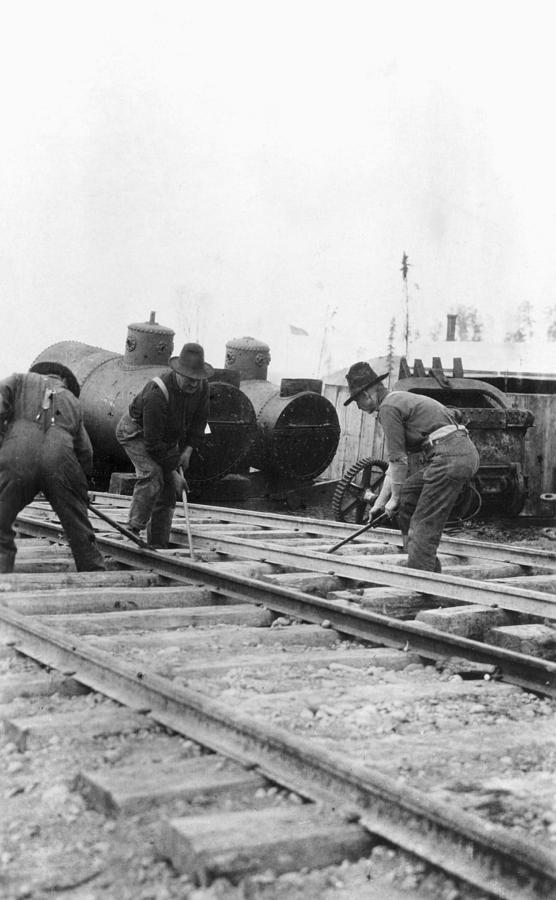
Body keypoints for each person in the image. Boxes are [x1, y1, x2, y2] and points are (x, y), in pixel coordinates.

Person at [344, 361, 480, 571]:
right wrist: (381, 503)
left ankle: (421, 581)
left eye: (356, 401)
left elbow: (399, 461)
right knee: (409, 495)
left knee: (422, 525)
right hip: (457, 453)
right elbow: (394, 465)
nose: (359, 407)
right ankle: (423, 565)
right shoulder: (398, 401)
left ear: (367, 394)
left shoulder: (388, 408)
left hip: (450, 456)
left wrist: (393, 500)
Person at [0, 362, 106, 573]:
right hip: (62, 462)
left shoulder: (18, 380)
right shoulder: (72, 400)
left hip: (18, 457)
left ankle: (2, 578)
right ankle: (94, 573)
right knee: (78, 528)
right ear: (64, 380)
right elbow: (86, 452)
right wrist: (78, 492)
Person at [116, 342, 213, 548]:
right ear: (178, 372)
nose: (194, 384)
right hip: (136, 432)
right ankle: (132, 531)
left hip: (166, 437)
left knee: (168, 491)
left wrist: (188, 450)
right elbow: (152, 444)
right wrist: (173, 473)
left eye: (198, 379)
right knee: (152, 474)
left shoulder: (202, 387)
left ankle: (158, 543)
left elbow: (199, 422)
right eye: (189, 379)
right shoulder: (156, 392)